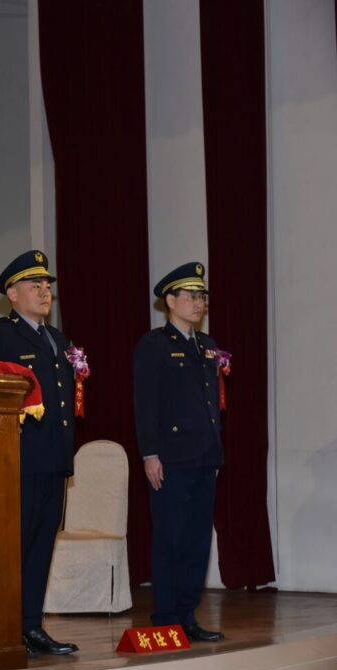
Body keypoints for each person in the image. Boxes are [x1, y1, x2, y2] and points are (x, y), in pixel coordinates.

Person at [0, 250, 79, 656]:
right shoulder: (0, 336)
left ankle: (32, 626)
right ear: (12, 294)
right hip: (19, 460)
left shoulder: (58, 340)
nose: (45, 291)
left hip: (54, 460)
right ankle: (1, 626)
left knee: (41, 548)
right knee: (13, 546)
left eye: (47, 285)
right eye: (35, 285)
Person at [133, 262, 225, 642]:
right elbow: (146, 403)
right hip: (170, 459)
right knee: (170, 539)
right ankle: (167, 618)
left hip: (204, 457)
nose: (198, 303)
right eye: (191, 296)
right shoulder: (154, 345)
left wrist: (215, 450)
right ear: (170, 301)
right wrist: (150, 454)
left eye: (202, 296)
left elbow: (212, 405)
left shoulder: (208, 346)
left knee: (197, 541)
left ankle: (188, 615)